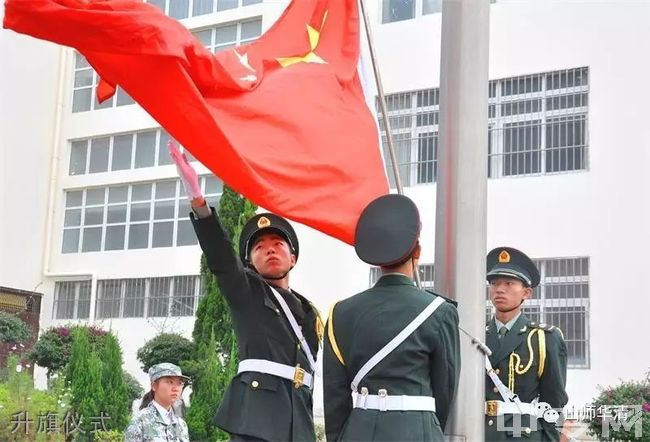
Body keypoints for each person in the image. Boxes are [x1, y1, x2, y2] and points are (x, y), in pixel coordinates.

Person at [169, 142, 322, 441]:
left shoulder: (309, 311)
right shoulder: (247, 292)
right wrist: (198, 202)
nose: (270, 251)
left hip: (299, 421)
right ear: (249, 262)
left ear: (293, 257)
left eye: (278, 245)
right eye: (260, 248)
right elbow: (222, 259)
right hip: (257, 422)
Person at [323, 194, 461, 441]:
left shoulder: (340, 313)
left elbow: (335, 398)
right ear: (416, 252)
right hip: (418, 430)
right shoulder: (440, 311)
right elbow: (444, 391)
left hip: (359, 431)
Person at [484, 247, 568, 441]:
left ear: (527, 292)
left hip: (523, 435)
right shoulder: (475, 335)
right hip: (479, 433)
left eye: (509, 283)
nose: (499, 289)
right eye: (494, 283)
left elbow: (554, 400)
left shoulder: (544, 337)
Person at [124, 363, 190, 442]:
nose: (176, 388)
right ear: (154, 386)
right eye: (169, 382)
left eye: (179, 383)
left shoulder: (181, 425)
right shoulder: (140, 421)